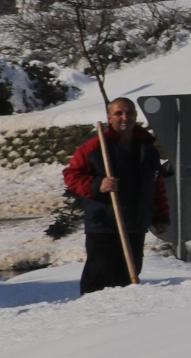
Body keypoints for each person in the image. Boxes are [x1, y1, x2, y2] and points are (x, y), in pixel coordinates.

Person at [60, 98, 166, 293]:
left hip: (135, 224)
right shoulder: (94, 147)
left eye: (129, 112)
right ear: (109, 117)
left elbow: (155, 184)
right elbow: (71, 175)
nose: (125, 117)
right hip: (105, 225)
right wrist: (97, 185)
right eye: (119, 113)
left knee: (127, 279)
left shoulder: (147, 149)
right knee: (99, 278)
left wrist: (160, 216)